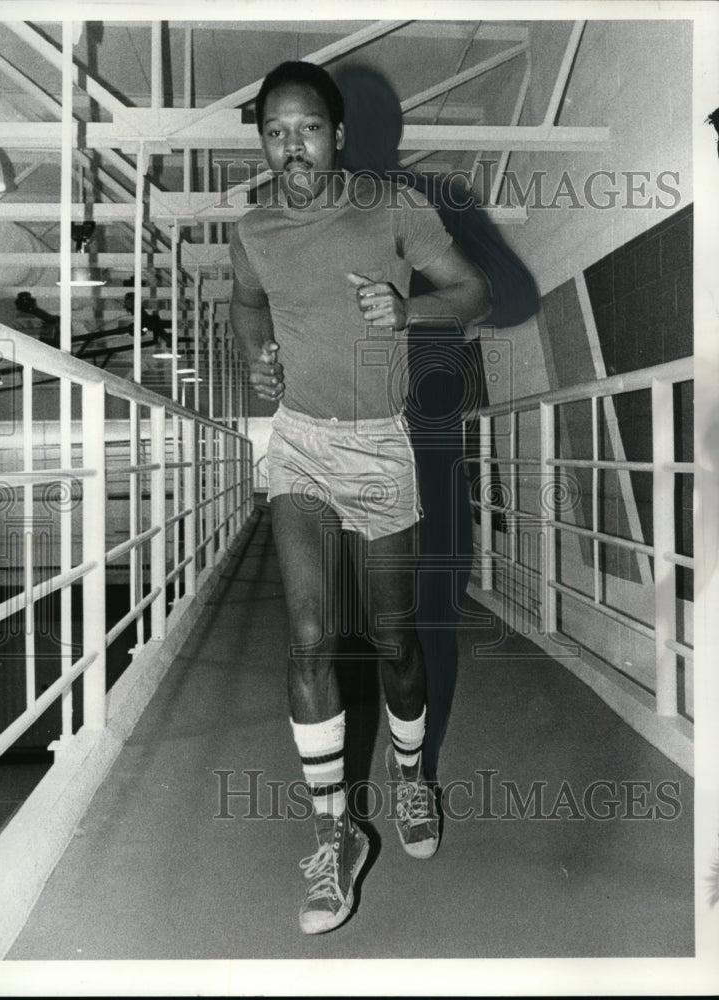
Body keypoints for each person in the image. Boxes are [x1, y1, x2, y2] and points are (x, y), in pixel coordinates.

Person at [229, 61, 491, 935]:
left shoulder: (394, 206)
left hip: (380, 445)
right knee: (307, 636)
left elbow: (474, 291)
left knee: (392, 638)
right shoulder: (254, 226)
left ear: (337, 133)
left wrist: (405, 310)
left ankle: (412, 780)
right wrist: (255, 354)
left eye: (306, 128)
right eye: (274, 131)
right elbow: (246, 302)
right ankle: (335, 836)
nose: (290, 146)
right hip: (300, 440)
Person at [335, 66, 540, 783]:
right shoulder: (303, 222)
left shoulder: (435, 199)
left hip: (426, 429)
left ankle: (413, 770)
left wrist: (414, 302)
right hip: (341, 435)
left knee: (421, 609)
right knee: (349, 612)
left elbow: (508, 297)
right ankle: (354, 775)